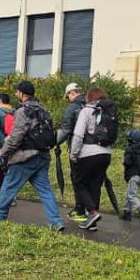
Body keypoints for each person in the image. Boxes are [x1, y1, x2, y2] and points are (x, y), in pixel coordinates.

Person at [0, 81, 65, 231]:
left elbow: (16, 137)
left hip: (25, 157)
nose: (16, 94)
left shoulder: (22, 111)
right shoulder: (43, 110)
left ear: (22, 94)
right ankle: (56, 222)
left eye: (17, 92)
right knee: (45, 191)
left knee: (9, 187)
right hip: (43, 156)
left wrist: (3, 151)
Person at [70, 88, 113, 231]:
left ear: (89, 97)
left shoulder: (86, 111)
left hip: (88, 153)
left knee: (79, 182)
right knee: (95, 186)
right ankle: (92, 223)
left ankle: (93, 213)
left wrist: (74, 154)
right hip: (106, 154)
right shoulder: (108, 112)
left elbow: (78, 135)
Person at [57, 83, 87, 222]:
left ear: (72, 93)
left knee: (77, 179)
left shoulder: (73, 107)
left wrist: (54, 142)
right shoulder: (90, 104)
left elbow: (66, 130)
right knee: (88, 181)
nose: (68, 98)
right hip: (94, 149)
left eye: (68, 95)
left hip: (78, 148)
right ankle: (89, 210)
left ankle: (80, 210)